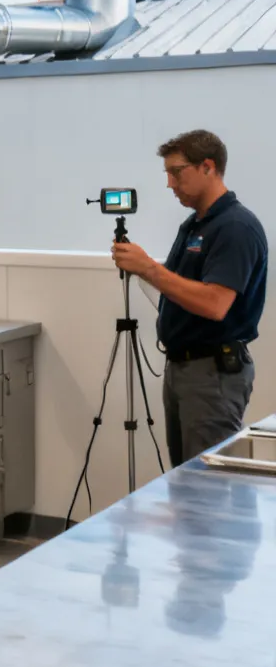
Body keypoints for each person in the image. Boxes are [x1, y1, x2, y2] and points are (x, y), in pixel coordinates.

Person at [112, 129, 267, 465]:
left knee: (207, 486)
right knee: (184, 479)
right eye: (167, 173)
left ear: (208, 167)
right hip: (184, 368)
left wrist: (150, 268)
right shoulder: (196, 225)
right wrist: (145, 271)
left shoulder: (235, 227)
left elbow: (215, 304)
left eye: (177, 171)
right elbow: (182, 286)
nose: (170, 183)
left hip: (212, 374)